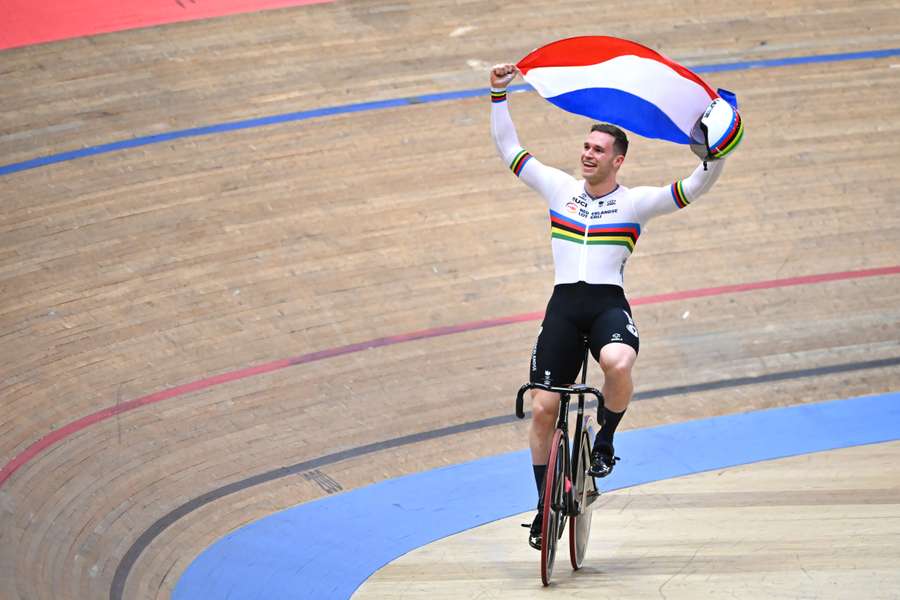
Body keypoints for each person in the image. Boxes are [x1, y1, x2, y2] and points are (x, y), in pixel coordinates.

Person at [489, 63, 728, 550]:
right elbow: (510, 150)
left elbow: (692, 186)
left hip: (605, 306)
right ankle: (543, 508)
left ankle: (605, 439)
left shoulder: (636, 203)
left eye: (598, 150)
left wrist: (716, 153)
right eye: (586, 146)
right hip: (562, 307)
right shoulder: (559, 189)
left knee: (618, 362)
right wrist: (498, 95)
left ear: (618, 160)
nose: (588, 154)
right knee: (542, 410)